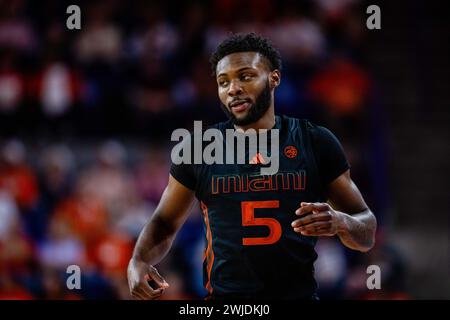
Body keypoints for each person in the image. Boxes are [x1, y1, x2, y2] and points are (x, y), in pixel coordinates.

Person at [127, 33, 377, 300]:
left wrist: (340, 222)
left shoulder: (315, 141)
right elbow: (164, 223)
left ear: (274, 78)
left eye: (245, 76)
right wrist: (138, 260)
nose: (233, 88)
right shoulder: (199, 148)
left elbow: (366, 231)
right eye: (224, 82)